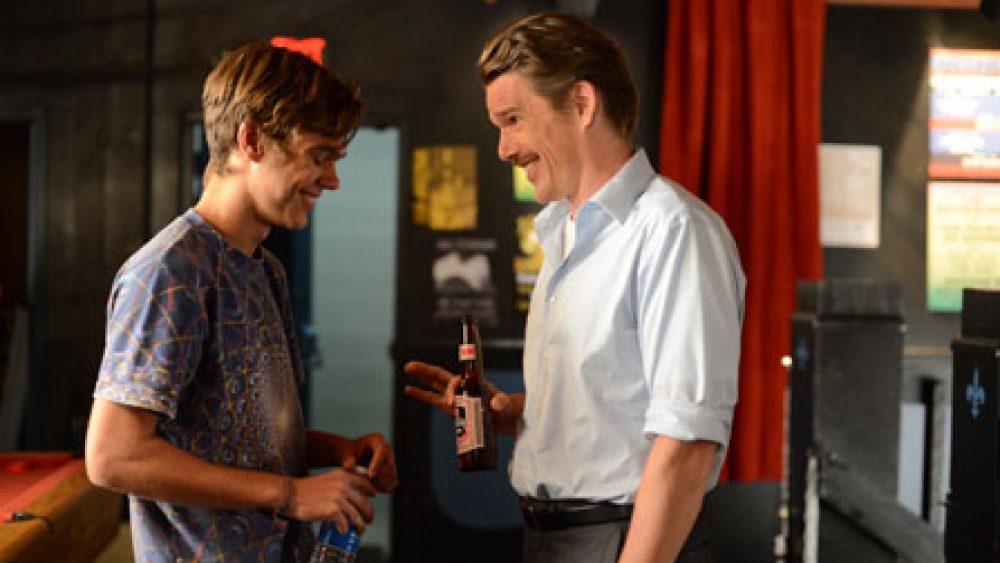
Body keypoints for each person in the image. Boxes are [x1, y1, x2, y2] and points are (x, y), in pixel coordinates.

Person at [404, 12, 745, 563]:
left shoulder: (674, 230)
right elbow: (616, 409)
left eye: (513, 120)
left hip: (624, 540)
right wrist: (519, 415)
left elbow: (687, 443)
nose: (503, 149)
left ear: (583, 104)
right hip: (551, 538)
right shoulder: (561, 233)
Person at [85, 42, 398, 562]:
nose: (332, 180)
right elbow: (114, 456)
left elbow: (240, 438)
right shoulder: (172, 269)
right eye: (318, 156)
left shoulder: (264, 269)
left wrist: (335, 450)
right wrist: (291, 494)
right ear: (251, 140)